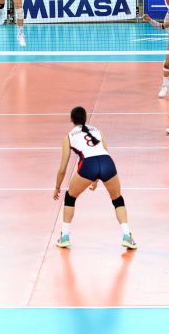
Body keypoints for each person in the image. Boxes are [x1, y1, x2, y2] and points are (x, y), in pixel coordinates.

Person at [53, 106, 137, 249]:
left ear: (72, 120)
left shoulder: (68, 137)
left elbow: (63, 168)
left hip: (88, 165)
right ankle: (127, 236)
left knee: (70, 197)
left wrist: (57, 187)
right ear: (86, 118)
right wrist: (97, 179)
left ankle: (65, 236)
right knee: (117, 199)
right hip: (107, 163)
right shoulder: (98, 131)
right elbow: (103, 152)